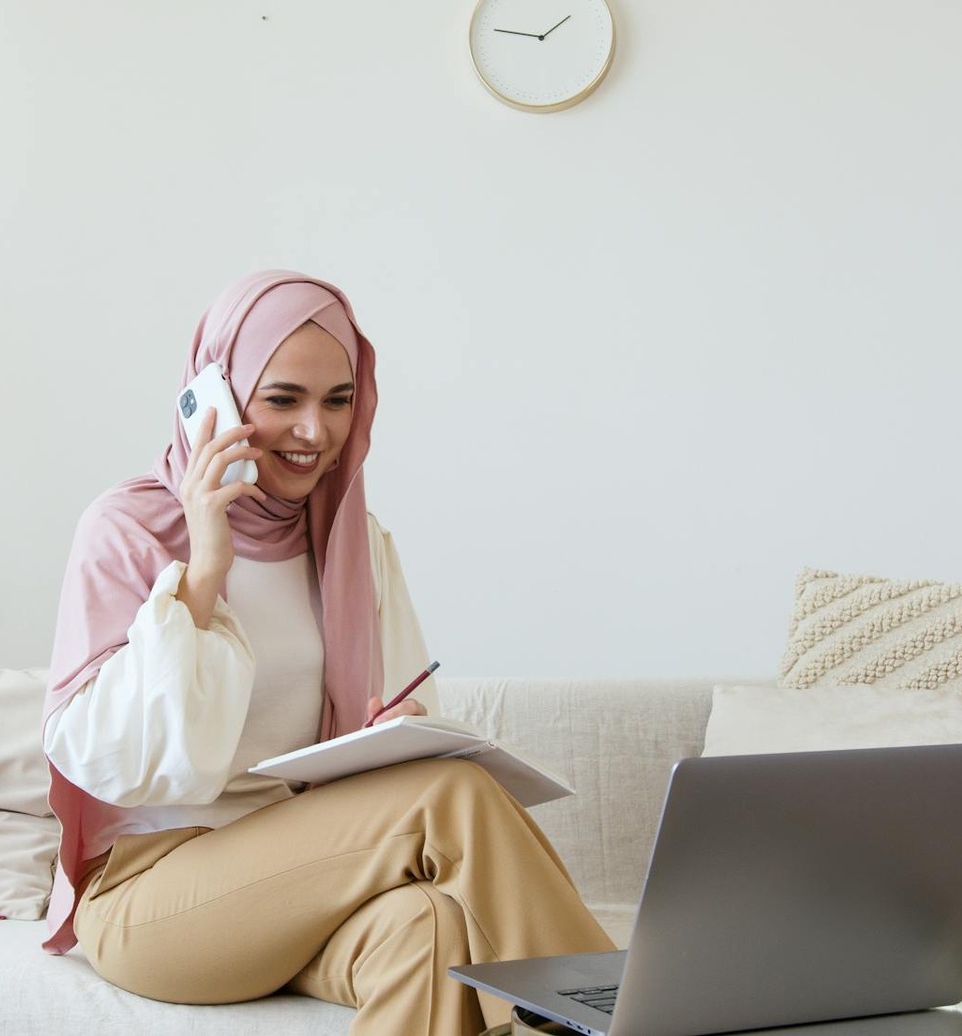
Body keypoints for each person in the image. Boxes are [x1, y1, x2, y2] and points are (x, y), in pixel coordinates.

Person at [42, 270, 613, 1035]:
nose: (316, 432)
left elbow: (400, 741)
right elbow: (99, 755)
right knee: (451, 801)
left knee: (431, 926)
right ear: (215, 395)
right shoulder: (130, 530)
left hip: (305, 884)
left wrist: (393, 731)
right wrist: (204, 573)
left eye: (338, 400)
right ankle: (627, 1015)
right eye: (283, 400)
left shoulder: (352, 544)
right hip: (151, 895)